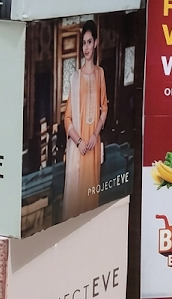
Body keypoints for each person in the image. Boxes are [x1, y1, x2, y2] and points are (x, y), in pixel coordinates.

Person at [62, 20, 108, 220]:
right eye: (84, 43)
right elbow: (67, 118)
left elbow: (104, 109)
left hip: (93, 146)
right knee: (77, 200)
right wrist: (80, 142)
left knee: (91, 199)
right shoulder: (74, 77)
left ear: (96, 43)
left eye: (89, 42)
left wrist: (94, 136)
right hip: (79, 147)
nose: (86, 48)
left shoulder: (100, 74)